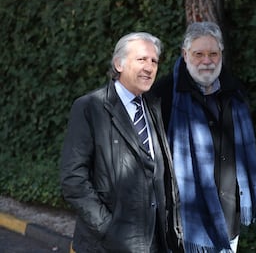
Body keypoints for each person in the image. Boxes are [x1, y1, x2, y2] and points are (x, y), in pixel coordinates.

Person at [151, 22, 256, 252]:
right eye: (199, 54)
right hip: (183, 223)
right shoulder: (163, 95)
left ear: (221, 55)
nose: (207, 61)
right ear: (185, 55)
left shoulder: (235, 93)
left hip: (229, 217)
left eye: (213, 54)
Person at [60, 32, 184, 253]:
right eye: (141, 59)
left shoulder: (153, 107)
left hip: (154, 242)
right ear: (118, 64)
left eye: (154, 61)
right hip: (107, 245)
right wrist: (109, 228)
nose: (149, 67)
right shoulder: (90, 107)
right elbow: (73, 179)